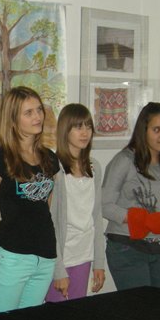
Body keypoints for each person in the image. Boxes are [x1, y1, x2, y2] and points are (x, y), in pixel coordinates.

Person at [0, 86, 60, 312]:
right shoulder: (0, 158)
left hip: (45, 257)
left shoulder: (50, 158)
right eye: (29, 112)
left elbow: (46, 207)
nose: (37, 116)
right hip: (12, 257)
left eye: (39, 110)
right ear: (13, 120)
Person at [102, 101, 160, 290]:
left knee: (156, 307)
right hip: (129, 248)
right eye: (157, 129)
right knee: (139, 306)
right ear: (144, 130)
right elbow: (104, 205)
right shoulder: (124, 160)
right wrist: (141, 220)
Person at [45, 104, 106, 302]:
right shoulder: (54, 169)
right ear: (65, 129)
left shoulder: (94, 167)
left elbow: (96, 216)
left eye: (88, 126)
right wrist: (58, 269)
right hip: (61, 256)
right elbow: (50, 222)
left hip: (83, 255)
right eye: (78, 127)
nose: (85, 132)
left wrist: (99, 262)